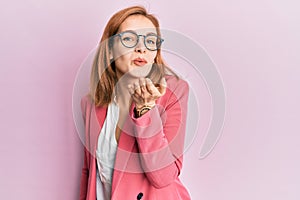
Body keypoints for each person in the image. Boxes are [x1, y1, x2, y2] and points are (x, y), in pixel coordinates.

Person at [79, 5, 191, 200]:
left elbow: (163, 177)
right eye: (130, 39)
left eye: (150, 41)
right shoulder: (91, 104)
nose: (141, 48)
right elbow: (90, 173)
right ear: (110, 50)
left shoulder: (174, 92)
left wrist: (145, 110)